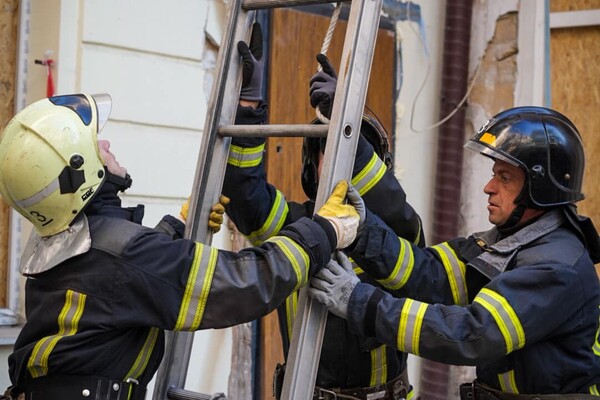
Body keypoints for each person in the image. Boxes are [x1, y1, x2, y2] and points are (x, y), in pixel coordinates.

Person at [0, 39, 365, 400]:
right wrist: (326, 229)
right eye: (98, 143)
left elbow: (121, 277)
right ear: (81, 171)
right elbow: (246, 282)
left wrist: (178, 224)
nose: (108, 146)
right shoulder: (122, 256)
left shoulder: (59, 243)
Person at [309, 106, 600, 399]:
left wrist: (358, 301)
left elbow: (471, 334)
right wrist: (363, 230)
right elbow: (432, 276)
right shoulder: (512, 243)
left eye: (505, 178)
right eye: (493, 175)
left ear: (540, 188)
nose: (489, 187)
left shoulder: (556, 267)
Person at [222, 23, 424, 400]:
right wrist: (248, 109)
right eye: (326, 153)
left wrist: (343, 114)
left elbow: (391, 209)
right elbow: (245, 199)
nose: (334, 165)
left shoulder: (400, 230)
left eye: (350, 154)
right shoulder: (296, 225)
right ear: (310, 165)